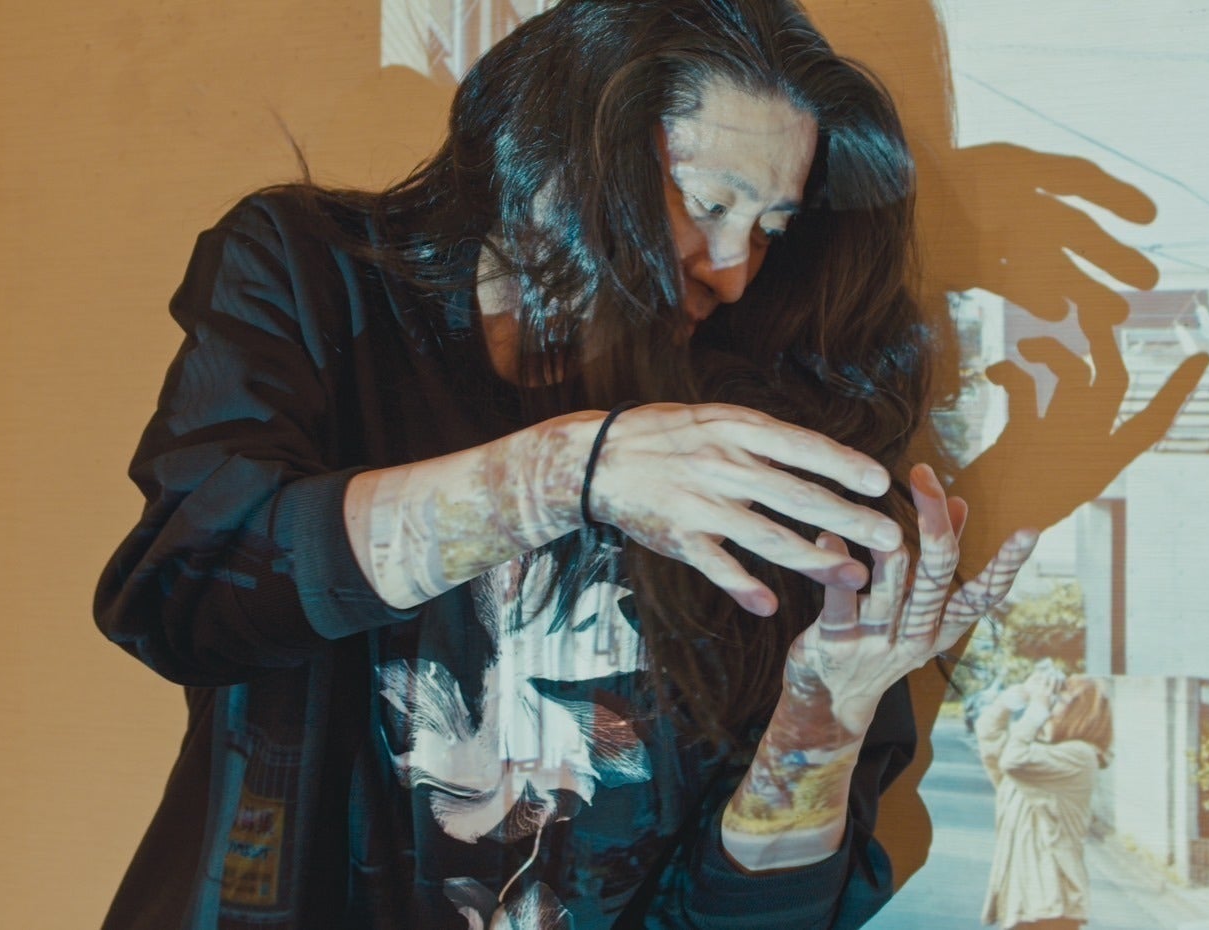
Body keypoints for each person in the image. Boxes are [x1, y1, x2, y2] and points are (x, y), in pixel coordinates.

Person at [93, 1, 1037, 927]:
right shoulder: (317, 278)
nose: (732, 269)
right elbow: (188, 594)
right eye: (707, 204)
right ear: (562, 141)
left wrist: (820, 722)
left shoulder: (761, 445)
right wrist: (563, 474)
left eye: (768, 230)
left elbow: (749, 919)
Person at [975, 670, 1115, 930]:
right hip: (1024, 900)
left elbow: (1013, 760)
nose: (1050, 706)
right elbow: (989, 737)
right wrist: (1014, 698)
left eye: (1059, 701)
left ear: (1080, 713)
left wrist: (1036, 711)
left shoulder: (1079, 756)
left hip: (1053, 903)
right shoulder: (1038, 758)